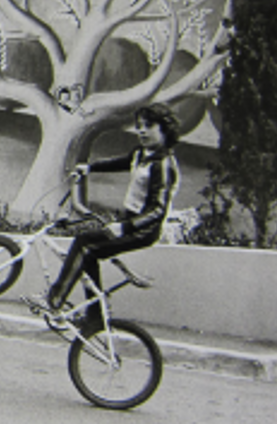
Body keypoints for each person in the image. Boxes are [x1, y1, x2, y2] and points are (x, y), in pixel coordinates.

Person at [27, 103, 182, 325]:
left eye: (149, 126)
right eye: (139, 126)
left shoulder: (164, 165)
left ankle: (55, 300)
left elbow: (158, 210)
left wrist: (125, 227)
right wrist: (90, 168)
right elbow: (120, 162)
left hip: (143, 230)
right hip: (128, 220)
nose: (142, 131)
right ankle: (96, 315)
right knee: (89, 252)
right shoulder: (141, 154)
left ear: (165, 129)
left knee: (85, 243)